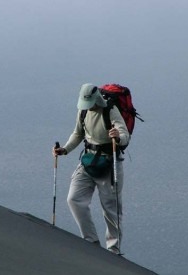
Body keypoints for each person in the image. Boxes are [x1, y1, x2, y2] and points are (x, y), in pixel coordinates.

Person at [52, 83, 130, 254]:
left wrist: (118, 137)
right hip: (88, 161)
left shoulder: (110, 110)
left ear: (97, 99)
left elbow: (125, 136)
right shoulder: (83, 111)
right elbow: (78, 133)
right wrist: (64, 149)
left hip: (110, 163)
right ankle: (91, 242)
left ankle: (113, 251)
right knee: (74, 199)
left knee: (111, 209)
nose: (89, 107)